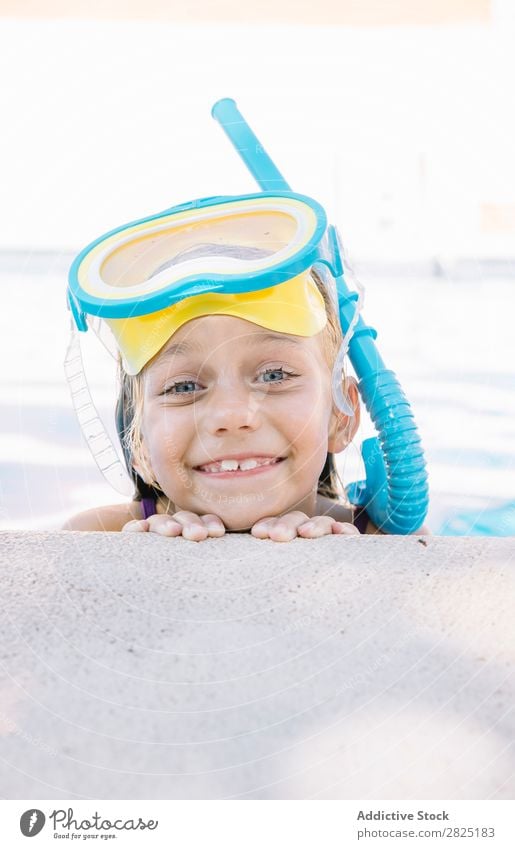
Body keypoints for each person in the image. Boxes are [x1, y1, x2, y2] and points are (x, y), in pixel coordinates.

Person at [62, 263, 381, 539]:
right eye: (184, 386)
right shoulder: (99, 533)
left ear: (342, 414)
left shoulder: (380, 538)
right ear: (140, 445)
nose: (231, 414)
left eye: (274, 376)